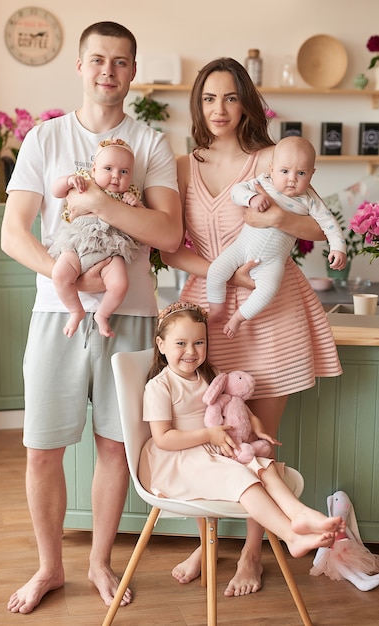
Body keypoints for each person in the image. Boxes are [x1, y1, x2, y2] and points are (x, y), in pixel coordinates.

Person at [1, 21, 182, 614]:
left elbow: (168, 231)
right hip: (57, 313)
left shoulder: (150, 144)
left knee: (114, 448)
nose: (109, 71)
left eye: (121, 62)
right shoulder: (44, 139)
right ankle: (49, 567)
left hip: (127, 314)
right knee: (41, 450)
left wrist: (101, 203)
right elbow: (11, 234)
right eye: (98, 59)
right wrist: (65, 272)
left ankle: (100, 562)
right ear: (80, 67)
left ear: (133, 72)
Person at [161, 57, 342, 597]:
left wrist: (274, 219)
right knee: (209, 433)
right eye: (209, 98)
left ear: (247, 104)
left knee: (257, 439)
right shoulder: (179, 165)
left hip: (273, 308)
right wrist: (228, 274)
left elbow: (314, 222)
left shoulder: (274, 159)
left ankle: (251, 551)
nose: (219, 109)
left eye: (231, 98)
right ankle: (208, 539)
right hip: (209, 310)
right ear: (197, 104)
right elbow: (170, 246)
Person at [138, 301, 344, 560]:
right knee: (243, 479)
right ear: (161, 345)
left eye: (199, 343)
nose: (191, 351)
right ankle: (291, 537)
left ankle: (299, 513)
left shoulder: (207, 375)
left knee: (263, 465)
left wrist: (255, 423)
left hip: (211, 448)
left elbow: (234, 405)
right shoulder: (160, 386)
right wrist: (209, 435)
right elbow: (163, 439)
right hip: (177, 460)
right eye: (180, 343)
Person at [206, 135, 347, 338]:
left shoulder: (310, 200)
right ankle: (217, 308)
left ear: (312, 174)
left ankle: (238, 317)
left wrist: (338, 248)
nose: (292, 179)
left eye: (301, 173)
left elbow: (329, 224)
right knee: (216, 271)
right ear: (271, 169)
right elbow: (236, 191)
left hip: (272, 261)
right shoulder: (263, 183)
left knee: (267, 291)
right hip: (241, 248)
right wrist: (252, 198)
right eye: (284, 171)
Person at [50, 138, 144, 338]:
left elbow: (144, 221)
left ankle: (103, 314)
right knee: (59, 275)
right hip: (78, 242)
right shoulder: (84, 181)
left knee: (120, 284)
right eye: (108, 168)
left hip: (111, 247)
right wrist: (68, 181)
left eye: (124, 172)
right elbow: (56, 191)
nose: (115, 176)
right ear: (93, 170)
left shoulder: (129, 194)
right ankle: (76, 310)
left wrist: (136, 205)